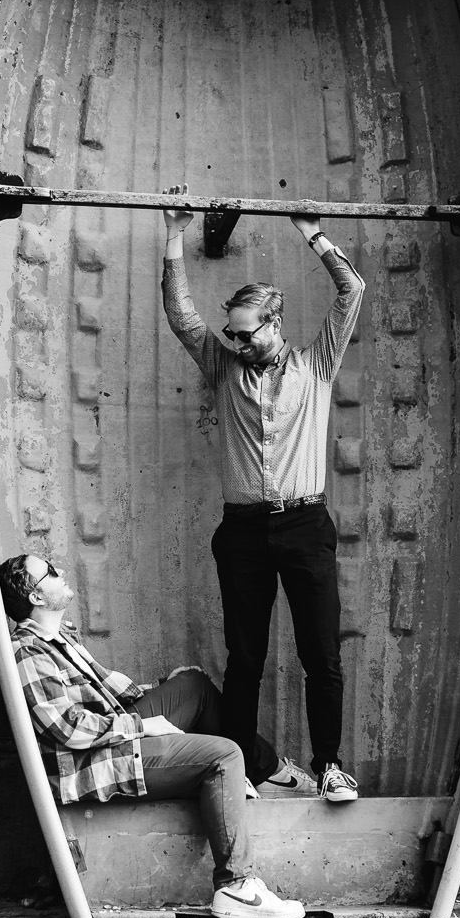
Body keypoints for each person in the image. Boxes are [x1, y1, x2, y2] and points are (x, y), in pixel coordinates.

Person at [161, 204, 365, 805]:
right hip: (244, 530)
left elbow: (351, 290)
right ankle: (243, 769)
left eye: (248, 333)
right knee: (244, 658)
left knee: (321, 655)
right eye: (233, 334)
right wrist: (175, 236)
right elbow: (182, 317)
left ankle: (329, 765)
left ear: (276, 323)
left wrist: (314, 237)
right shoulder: (225, 368)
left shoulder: (316, 364)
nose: (237, 342)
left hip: (306, 524)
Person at [0, 552, 305, 918]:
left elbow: (109, 688)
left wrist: (166, 688)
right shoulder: (28, 650)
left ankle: (260, 773)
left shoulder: (60, 635)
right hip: (96, 761)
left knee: (195, 686)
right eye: (49, 571)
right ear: (35, 597)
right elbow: (68, 728)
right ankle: (236, 886)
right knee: (224, 754)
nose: (60, 570)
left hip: (114, 734)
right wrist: (143, 726)